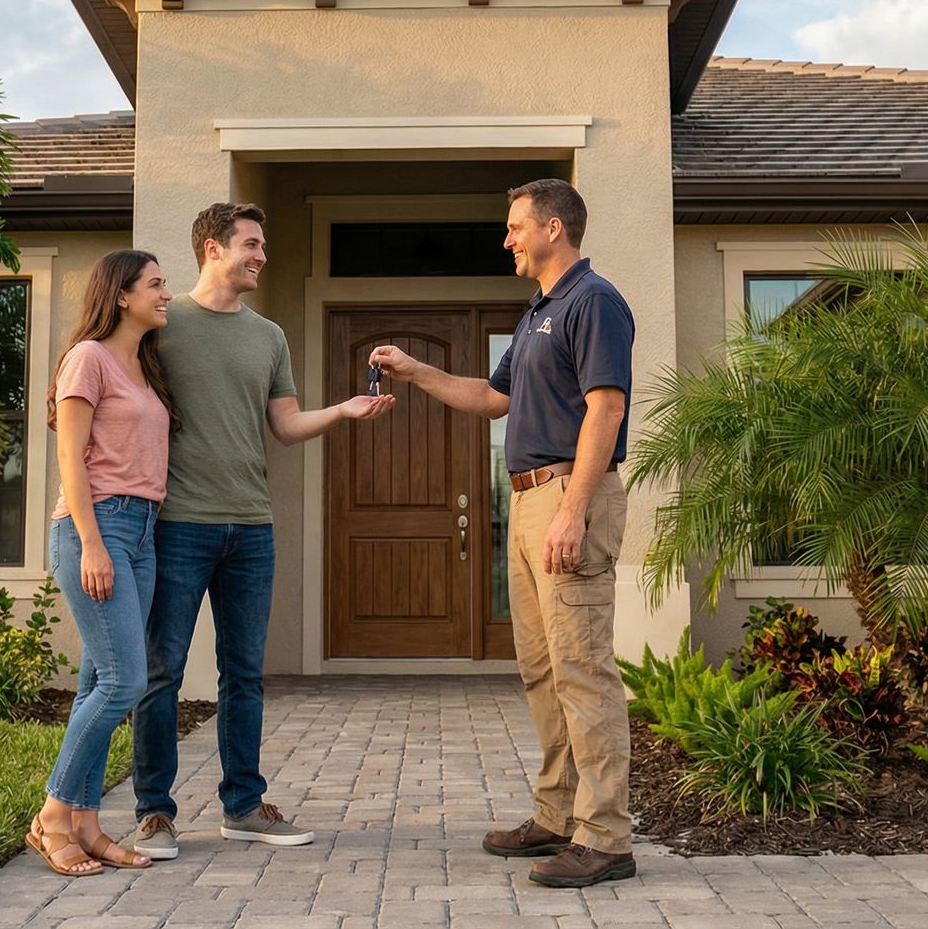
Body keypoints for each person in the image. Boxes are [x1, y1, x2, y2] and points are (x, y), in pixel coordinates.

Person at [369, 178, 637, 888]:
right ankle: (558, 814)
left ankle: (606, 837)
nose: (507, 238)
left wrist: (574, 510)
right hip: (527, 501)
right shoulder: (538, 311)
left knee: (583, 670)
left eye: (516, 226)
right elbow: (493, 399)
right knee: (542, 669)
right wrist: (415, 369)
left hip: (569, 495)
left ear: (553, 228)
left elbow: (606, 409)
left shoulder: (593, 300)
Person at [124, 202, 395, 859]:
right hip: (178, 524)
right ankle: (153, 813)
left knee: (244, 673)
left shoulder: (268, 336)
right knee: (161, 672)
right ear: (213, 248)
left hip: (251, 526)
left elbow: (286, 425)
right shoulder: (161, 323)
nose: (262, 256)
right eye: (251, 244)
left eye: (263, 246)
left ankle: (244, 805)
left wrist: (344, 410)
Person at [26, 249, 176, 876]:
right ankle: (53, 815)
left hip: (142, 531)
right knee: (124, 682)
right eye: (155, 284)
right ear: (121, 294)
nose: (166, 294)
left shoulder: (143, 365)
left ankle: (86, 824)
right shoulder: (87, 358)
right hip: (98, 526)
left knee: (98, 682)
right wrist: (91, 542)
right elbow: (70, 455)